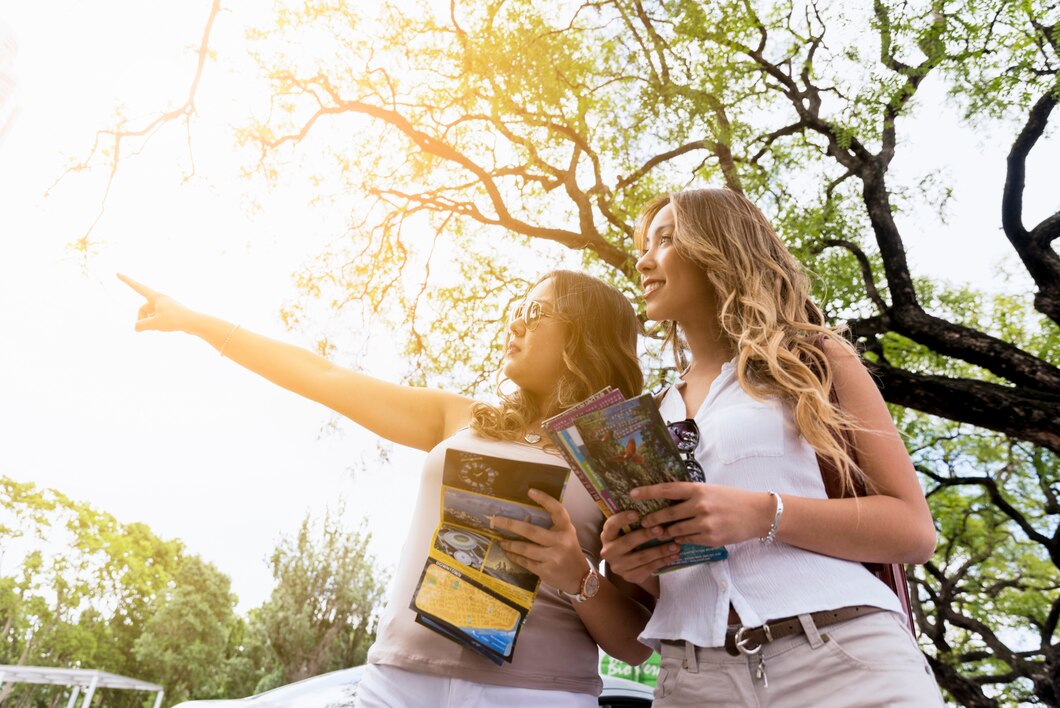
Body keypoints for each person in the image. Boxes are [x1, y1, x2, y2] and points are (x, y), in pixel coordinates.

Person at [118, 269, 653, 707]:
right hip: (398, 684)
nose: (513, 324)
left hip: (538, 695)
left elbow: (634, 645)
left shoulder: (624, 457)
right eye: (517, 307)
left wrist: (578, 576)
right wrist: (195, 323)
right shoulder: (459, 417)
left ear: (584, 334)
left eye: (535, 313)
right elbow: (324, 377)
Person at [599, 188, 945, 706]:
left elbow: (914, 533)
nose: (644, 261)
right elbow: (661, 594)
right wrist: (635, 565)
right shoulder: (645, 416)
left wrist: (764, 513)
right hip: (693, 683)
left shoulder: (813, 360)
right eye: (645, 246)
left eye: (666, 241)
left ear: (720, 248)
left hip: (843, 662)